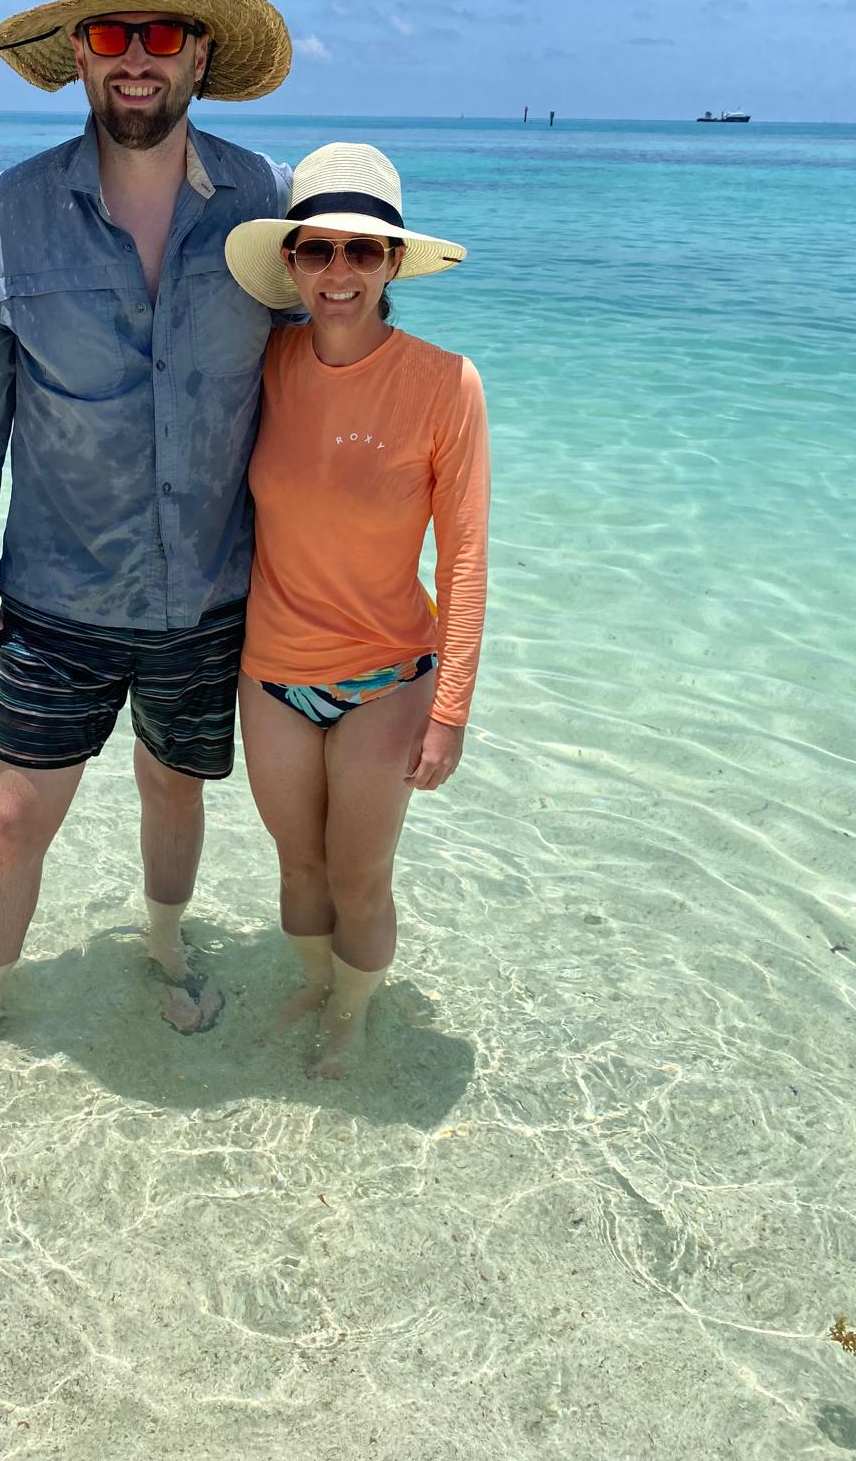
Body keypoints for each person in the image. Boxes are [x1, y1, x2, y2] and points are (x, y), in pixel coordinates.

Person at [0, 0, 292, 1110]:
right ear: (79, 55)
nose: (137, 56)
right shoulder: (8, 210)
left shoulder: (263, 202)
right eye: (113, 34)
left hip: (210, 590)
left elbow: (309, 378)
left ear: (196, 57)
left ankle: (164, 944)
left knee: (174, 789)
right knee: (15, 816)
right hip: (60, 588)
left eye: (162, 33)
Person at [224, 143, 489, 1079]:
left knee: (358, 876)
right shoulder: (260, 361)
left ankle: (353, 1017)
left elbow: (462, 561)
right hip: (270, 676)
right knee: (298, 871)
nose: (339, 272)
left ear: (392, 265)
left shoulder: (446, 385)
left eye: (363, 252)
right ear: (290, 262)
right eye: (319, 250)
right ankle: (314, 981)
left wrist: (450, 709)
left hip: (388, 680)